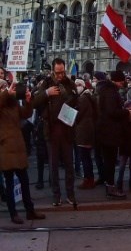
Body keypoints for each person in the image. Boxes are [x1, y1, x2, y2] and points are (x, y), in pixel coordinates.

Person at [32, 57, 79, 207]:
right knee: (53, 166)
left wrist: (70, 100)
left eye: (62, 72)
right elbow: (35, 102)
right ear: (53, 70)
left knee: (69, 165)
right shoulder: (47, 82)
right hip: (51, 130)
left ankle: (70, 194)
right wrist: (46, 93)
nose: (60, 75)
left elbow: (76, 101)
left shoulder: (69, 82)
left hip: (66, 129)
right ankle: (56, 195)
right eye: (58, 72)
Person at [1, 79, 46, 224]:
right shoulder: (2, 103)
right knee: (9, 183)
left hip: (18, 147)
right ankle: (13, 213)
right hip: (6, 147)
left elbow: (25, 114)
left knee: (25, 181)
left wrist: (28, 101)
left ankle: (30, 210)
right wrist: (7, 92)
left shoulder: (13, 104)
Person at [96, 71, 131, 199]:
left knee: (108, 160)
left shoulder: (105, 90)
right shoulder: (110, 91)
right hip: (109, 131)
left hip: (106, 130)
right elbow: (112, 111)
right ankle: (110, 187)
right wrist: (126, 112)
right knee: (110, 160)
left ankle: (109, 185)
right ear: (116, 81)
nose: (122, 84)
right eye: (121, 82)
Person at [74, 79, 97, 190]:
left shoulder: (83, 98)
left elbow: (78, 114)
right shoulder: (88, 96)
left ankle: (88, 180)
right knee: (86, 156)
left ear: (83, 86)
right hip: (88, 128)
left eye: (78, 85)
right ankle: (89, 179)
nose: (76, 87)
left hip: (84, 129)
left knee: (85, 157)